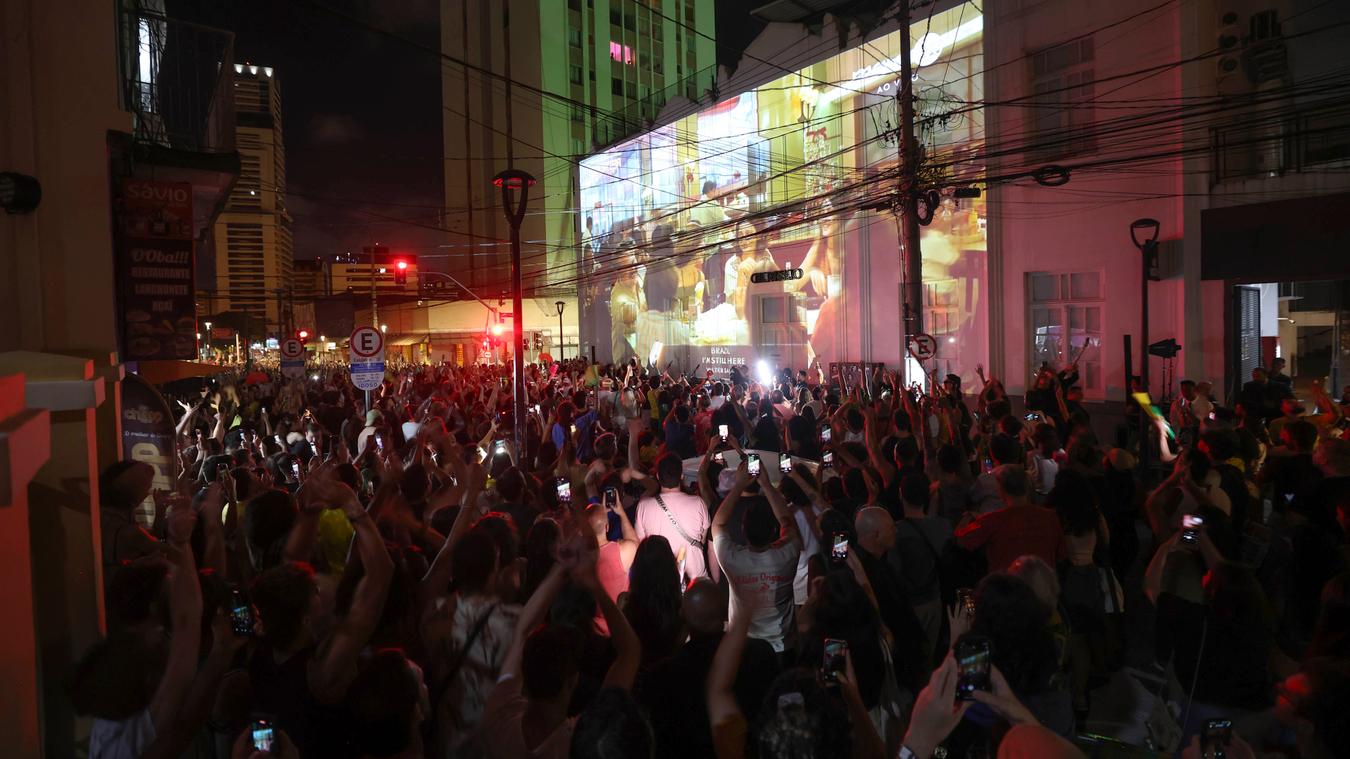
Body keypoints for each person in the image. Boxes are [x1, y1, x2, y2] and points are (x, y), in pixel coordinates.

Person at [710, 460, 802, 656]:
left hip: (745, 644)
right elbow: (787, 521)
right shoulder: (788, 554)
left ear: (743, 530)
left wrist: (739, 486)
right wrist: (766, 485)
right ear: (773, 531)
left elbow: (717, 524)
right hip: (783, 644)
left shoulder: (732, 558)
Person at [955, 465, 1064, 574]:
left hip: (1007, 587)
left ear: (1001, 490)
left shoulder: (993, 520)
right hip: (1044, 586)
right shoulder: (1050, 517)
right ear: (1027, 487)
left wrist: (968, 516)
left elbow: (960, 540)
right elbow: (1061, 554)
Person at [635, 453, 711, 583]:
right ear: (682, 476)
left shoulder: (643, 506)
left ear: (658, 476)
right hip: (696, 580)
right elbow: (702, 540)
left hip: (661, 580)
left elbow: (641, 543)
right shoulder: (698, 503)